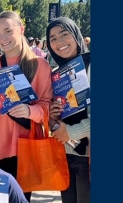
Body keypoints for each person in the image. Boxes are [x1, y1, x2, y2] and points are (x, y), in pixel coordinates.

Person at [0, 11, 53, 202]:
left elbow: (48, 106)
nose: (2, 38)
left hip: (26, 149)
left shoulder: (39, 65)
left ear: (21, 29)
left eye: (7, 31)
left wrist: (30, 111)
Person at [46, 16, 90, 203]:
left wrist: (71, 131)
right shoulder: (57, 74)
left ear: (76, 35)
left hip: (88, 155)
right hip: (66, 155)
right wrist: (53, 116)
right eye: (53, 38)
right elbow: (59, 118)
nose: (59, 42)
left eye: (64, 34)